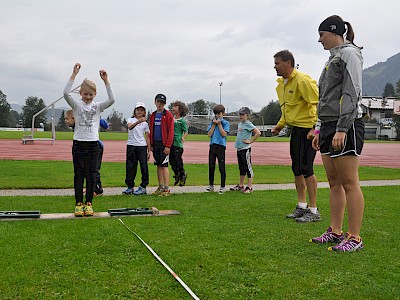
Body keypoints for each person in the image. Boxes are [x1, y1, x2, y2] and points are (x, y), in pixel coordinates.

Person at [310, 15, 365, 252]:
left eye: (322, 35)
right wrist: (320, 129)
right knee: (333, 182)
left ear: (333, 32)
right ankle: (335, 231)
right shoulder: (332, 58)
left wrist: (342, 128)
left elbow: (352, 91)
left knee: (349, 182)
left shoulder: (349, 54)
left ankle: (355, 237)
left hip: (347, 124)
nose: (319, 40)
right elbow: (326, 97)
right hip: (329, 125)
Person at [271, 50, 320, 223]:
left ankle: (313, 210)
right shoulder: (281, 84)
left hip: (307, 130)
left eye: (277, 63)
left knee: (307, 168)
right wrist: (280, 125)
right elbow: (287, 109)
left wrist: (315, 128)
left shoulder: (302, 80)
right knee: (297, 168)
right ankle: (301, 206)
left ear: (288, 63)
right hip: (296, 130)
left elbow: (316, 104)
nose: (274, 66)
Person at [63, 63, 115, 217]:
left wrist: (106, 81)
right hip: (79, 144)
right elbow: (66, 93)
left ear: (95, 94)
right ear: (80, 93)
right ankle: (79, 203)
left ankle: (89, 203)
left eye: (91, 94)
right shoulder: (76, 105)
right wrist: (74, 75)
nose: (88, 97)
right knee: (79, 174)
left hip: (93, 145)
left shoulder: (98, 107)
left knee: (91, 174)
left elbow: (112, 99)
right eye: (85, 94)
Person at [64, 110, 109, 196]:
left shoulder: (82, 122)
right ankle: (93, 188)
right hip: (88, 147)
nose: (65, 121)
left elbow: (104, 125)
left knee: (94, 168)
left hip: (96, 146)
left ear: (74, 118)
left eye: (67, 119)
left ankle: (97, 189)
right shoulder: (77, 125)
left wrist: (97, 115)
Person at [230, 107, 261, 193]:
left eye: (242, 114)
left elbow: (258, 132)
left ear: (247, 115)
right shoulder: (240, 124)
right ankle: (241, 185)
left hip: (245, 149)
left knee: (248, 167)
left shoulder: (248, 124)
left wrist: (250, 141)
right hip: (239, 149)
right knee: (241, 168)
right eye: (239, 114)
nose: (240, 116)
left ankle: (249, 187)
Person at [122, 102, 150, 195]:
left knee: (144, 167)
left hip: (142, 146)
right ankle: (130, 187)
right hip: (131, 145)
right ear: (135, 111)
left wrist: (149, 150)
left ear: (144, 112)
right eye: (138, 110)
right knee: (130, 167)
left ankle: (143, 186)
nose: (139, 112)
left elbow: (147, 137)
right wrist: (139, 121)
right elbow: (130, 127)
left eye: (141, 110)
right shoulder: (130, 119)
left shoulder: (145, 124)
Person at [149, 94, 174, 196]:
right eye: (158, 102)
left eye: (162, 103)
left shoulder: (168, 115)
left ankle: (167, 189)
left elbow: (170, 131)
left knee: (164, 165)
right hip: (156, 144)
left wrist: (168, 146)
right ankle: (161, 186)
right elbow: (151, 130)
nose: (160, 104)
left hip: (164, 144)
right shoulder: (153, 115)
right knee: (158, 165)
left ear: (164, 104)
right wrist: (151, 144)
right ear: (155, 102)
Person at [207, 104, 230, 194]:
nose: (217, 116)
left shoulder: (226, 123)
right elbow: (209, 134)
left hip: (221, 146)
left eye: (219, 114)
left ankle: (222, 186)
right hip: (213, 146)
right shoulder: (211, 123)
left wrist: (219, 124)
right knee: (211, 166)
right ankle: (211, 185)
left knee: (221, 167)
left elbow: (224, 134)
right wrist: (213, 125)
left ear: (223, 113)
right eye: (215, 114)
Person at [170, 100, 189, 186]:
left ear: (180, 109)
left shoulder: (182, 121)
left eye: (175, 106)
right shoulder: (171, 119)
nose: (173, 108)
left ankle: (182, 175)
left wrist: (183, 137)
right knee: (171, 160)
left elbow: (186, 131)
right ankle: (177, 174)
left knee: (178, 160)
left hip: (178, 143)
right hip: (170, 143)